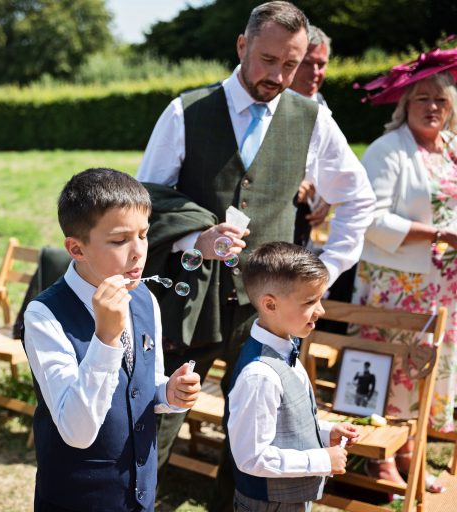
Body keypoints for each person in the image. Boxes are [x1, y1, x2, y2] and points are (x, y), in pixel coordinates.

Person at [136, 2, 375, 507]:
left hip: (269, 309)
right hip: (190, 300)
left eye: (291, 64)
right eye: (268, 60)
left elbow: (358, 197)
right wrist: (192, 237)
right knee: (155, 423)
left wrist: (324, 273)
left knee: (258, 430)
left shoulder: (313, 119)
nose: (278, 75)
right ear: (243, 46)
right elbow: (145, 199)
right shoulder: (186, 112)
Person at [23, 168, 202, 512]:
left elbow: (142, 385)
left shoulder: (145, 298)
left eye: (144, 235)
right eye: (120, 241)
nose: (138, 252)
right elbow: (77, 431)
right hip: (78, 500)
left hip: (138, 497)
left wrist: (168, 392)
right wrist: (105, 339)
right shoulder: (44, 316)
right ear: (77, 248)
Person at [351, 49, 457, 494]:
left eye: (441, 100)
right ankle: (383, 461)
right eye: (422, 99)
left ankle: (413, 453)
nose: (432, 107)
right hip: (396, 286)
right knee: (394, 372)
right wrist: (437, 234)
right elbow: (368, 219)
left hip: (442, 288)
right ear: (404, 105)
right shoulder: (387, 149)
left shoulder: (451, 149)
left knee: (427, 373)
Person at [228, 241, 359, 511]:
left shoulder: (285, 348)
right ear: (270, 304)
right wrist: (321, 460)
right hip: (269, 504)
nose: (321, 310)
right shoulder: (259, 375)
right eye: (310, 301)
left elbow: (281, 423)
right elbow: (251, 457)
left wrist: (324, 430)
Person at [291, 25, 332, 248]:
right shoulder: (269, 104)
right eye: (307, 63)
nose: (315, 72)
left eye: (322, 64)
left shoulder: (321, 102)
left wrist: (327, 196)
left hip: (307, 219)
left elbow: (330, 158)